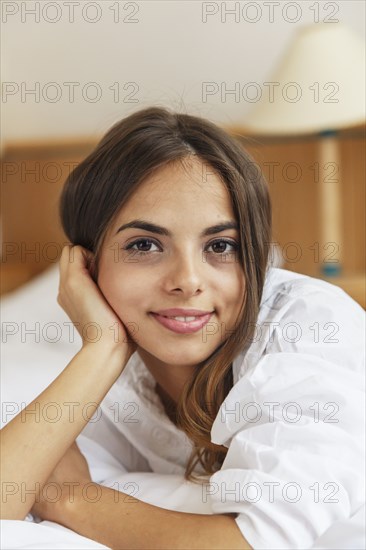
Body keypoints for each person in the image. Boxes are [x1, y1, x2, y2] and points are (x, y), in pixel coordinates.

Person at [1, 106, 364, 550]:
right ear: (86, 266)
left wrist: (75, 500)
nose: (188, 281)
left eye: (220, 245)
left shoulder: (305, 330)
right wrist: (101, 349)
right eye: (145, 244)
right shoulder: (127, 381)